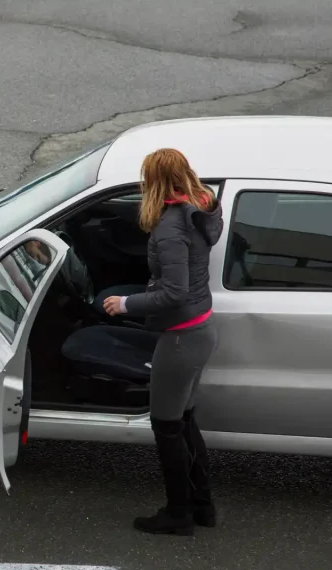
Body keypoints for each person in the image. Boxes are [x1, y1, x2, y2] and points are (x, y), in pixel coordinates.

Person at [102, 148, 224, 536]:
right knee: (185, 421)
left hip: (180, 339)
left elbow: (174, 291)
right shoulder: (200, 210)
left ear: (154, 180)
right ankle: (202, 505)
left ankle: (177, 514)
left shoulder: (171, 227)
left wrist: (125, 304)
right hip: (200, 329)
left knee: (166, 425)